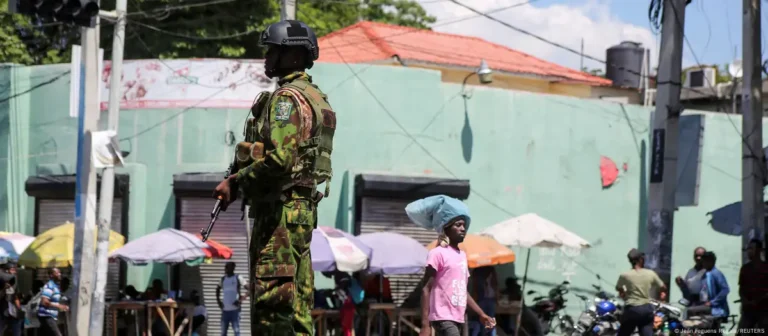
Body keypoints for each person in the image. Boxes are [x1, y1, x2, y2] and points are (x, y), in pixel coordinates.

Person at [213, 19, 335, 336]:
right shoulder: (316, 98)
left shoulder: (285, 99)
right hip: (303, 212)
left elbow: (282, 159)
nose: (267, 58)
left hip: (279, 214)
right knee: (298, 311)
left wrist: (236, 183)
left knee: (272, 308)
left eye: (273, 52)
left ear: (293, 56)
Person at [406, 195, 495, 336]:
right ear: (446, 228)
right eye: (458, 225)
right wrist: (425, 325)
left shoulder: (462, 256)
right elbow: (426, 288)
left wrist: (481, 314)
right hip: (442, 317)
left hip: (458, 317)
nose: (463, 228)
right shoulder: (437, 253)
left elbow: (463, 292)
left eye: (464, 225)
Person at [615, 248, 667, 336]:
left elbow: (618, 288)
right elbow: (663, 287)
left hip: (631, 310)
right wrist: (662, 293)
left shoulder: (625, 275)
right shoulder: (650, 273)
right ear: (641, 260)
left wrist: (623, 293)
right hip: (646, 309)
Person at [738, 239, 768, 330]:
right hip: (748, 310)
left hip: (764, 310)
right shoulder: (745, 269)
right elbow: (741, 288)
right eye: (748, 249)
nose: (749, 251)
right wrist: (745, 300)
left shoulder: (766, 268)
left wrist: (759, 299)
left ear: (759, 250)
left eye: (751, 248)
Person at [216, 261, 246, 336]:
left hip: (235, 311)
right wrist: (219, 301)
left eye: (227, 267)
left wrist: (240, 300)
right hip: (225, 311)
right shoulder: (223, 279)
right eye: (225, 267)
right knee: (223, 333)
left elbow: (249, 289)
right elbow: (217, 289)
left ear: (233, 268)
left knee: (236, 332)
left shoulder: (238, 277)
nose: (225, 268)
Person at [37, 268, 68, 336]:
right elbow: (44, 302)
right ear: (51, 275)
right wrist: (59, 306)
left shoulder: (55, 286)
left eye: (60, 272)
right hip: (47, 315)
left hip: (49, 316)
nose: (59, 274)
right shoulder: (49, 286)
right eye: (57, 273)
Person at [469, 267, 498, 336]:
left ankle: (486, 333)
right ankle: (489, 333)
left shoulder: (477, 271)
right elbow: (495, 284)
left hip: (483, 299)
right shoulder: (490, 270)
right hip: (487, 299)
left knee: (484, 321)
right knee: (489, 320)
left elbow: (475, 287)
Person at [700, 251, 729, 318]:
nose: (703, 263)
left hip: (718, 310)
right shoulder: (704, 275)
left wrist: (712, 302)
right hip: (708, 308)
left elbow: (725, 290)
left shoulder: (716, 273)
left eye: (705, 261)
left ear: (711, 261)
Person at [0, 263, 22, 336]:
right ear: (6, 271)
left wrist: (19, 309)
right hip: (2, 312)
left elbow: (16, 296)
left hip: (13, 311)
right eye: (12, 270)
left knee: (17, 332)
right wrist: (4, 289)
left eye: (15, 270)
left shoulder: (14, 281)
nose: (14, 272)